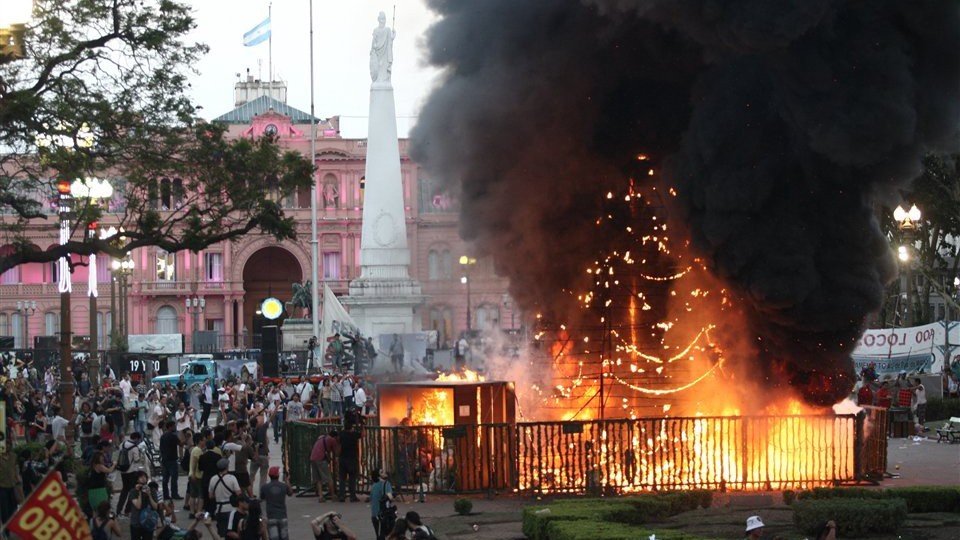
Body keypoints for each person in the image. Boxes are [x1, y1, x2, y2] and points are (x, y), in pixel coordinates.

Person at [116, 431, 148, 516]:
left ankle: (118, 510)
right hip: (131, 471)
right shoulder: (135, 447)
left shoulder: (122, 444)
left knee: (124, 490)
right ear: (137, 438)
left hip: (123, 471)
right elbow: (137, 459)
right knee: (132, 491)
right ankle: (127, 510)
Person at [210, 458, 242, 538]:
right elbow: (239, 494)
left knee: (222, 534)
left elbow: (211, 496)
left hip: (219, 510)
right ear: (227, 467)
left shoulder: (213, 479)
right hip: (231, 509)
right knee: (232, 533)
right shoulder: (232, 478)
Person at [261, 467, 293, 540]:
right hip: (282, 515)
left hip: (271, 516)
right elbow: (290, 493)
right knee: (284, 537)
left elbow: (262, 498)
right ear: (278, 475)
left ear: (269, 475)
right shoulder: (283, 486)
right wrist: (287, 481)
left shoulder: (265, 487)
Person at [130, 471, 159, 540]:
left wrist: (149, 495)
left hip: (148, 522)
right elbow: (138, 506)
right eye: (140, 477)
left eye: (144, 476)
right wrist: (139, 492)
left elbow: (155, 507)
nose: (143, 478)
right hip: (136, 522)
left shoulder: (152, 490)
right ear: (137, 480)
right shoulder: (133, 491)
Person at [311, 430, 339, 501]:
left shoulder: (322, 437)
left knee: (318, 479)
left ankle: (321, 496)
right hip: (320, 459)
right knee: (329, 478)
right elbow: (337, 452)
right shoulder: (332, 440)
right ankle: (333, 495)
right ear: (335, 437)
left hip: (313, 458)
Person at [0, 439, 22, 527]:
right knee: (4, 510)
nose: (7, 446)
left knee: (13, 508)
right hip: (2, 487)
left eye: (8, 444)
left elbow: (15, 470)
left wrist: (18, 481)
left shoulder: (14, 456)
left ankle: (12, 526)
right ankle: (6, 529)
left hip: (13, 486)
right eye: (6, 444)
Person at [88, 447, 116, 514]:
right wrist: (114, 464)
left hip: (92, 490)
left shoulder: (93, 465)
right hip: (99, 490)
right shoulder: (99, 466)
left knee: (95, 510)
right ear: (98, 458)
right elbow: (109, 470)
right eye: (102, 457)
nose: (103, 458)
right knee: (102, 507)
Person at [160, 420, 183, 500]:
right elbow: (180, 444)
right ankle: (174, 494)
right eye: (173, 426)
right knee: (174, 478)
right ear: (170, 427)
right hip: (172, 459)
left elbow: (161, 448)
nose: (175, 427)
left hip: (165, 459)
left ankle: (165, 495)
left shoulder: (163, 436)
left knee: (165, 478)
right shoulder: (173, 436)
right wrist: (186, 438)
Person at [338, 423, 361, 502]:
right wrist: (363, 426)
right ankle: (352, 496)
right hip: (352, 458)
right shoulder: (354, 434)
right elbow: (363, 434)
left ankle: (341, 495)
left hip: (343, 458)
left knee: (342, 479)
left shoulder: (341, 434)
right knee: (352, 478)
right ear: (352, 428)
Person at [371, 468, 396, 540]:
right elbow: (390, 497)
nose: (385, 472)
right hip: (384, 514)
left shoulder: (374, 486)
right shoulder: (386, 483)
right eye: (382, 472)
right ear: (378, 476)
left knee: (379, 535)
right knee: (388, 535)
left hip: (374, 515)